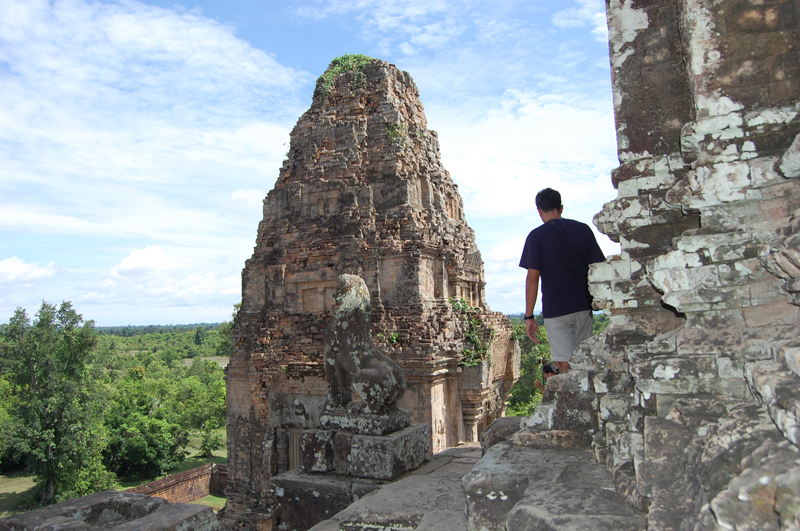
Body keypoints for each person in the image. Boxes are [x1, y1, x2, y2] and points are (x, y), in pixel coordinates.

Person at [519, 188, 605, 375]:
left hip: (556, 310)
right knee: (584, 361)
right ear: (561, 208)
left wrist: (529, 316)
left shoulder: (536, 236)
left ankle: (570, 394)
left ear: (539, 210)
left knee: (564, 364)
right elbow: (599, 267)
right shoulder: (582, 229)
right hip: (583, 306)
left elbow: (532, 278)